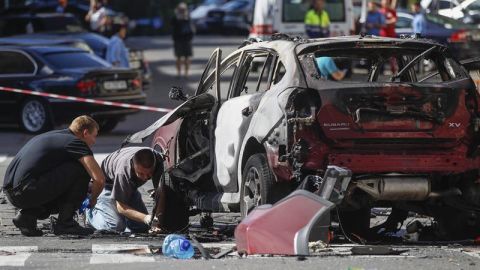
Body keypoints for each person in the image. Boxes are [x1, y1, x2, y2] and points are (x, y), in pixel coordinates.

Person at [2, 115, 105, 236]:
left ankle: (27, 217)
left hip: (12, 192)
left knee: (73, 179)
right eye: (94, 136)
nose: (94, 141)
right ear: (85, 133)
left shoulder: (54, 136)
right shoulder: (76, 142)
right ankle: (66, 224)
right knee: (82, 169)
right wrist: (92, 199)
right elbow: (99, 179)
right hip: (26, 191)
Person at [87, 147, 189, 233]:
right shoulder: (123, 172)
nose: (145, 178)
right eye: (141, 174)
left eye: (149, 174)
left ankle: (122, 219)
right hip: (106, 184)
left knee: (142, 227)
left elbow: (160, 193)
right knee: (115, 226)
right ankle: (89, 214)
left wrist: (157, 222)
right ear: (133, 165)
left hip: (130, 186)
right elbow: (121, 207)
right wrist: (146, 218)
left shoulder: (157, 160)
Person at [171, 2, 195, 79]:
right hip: (182, 39)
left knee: (185, 57)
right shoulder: (181, 17)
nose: (182, 10)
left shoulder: (186, 17)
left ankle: (184, 73)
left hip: (184, 39)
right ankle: (182, 73)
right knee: (181, 57)